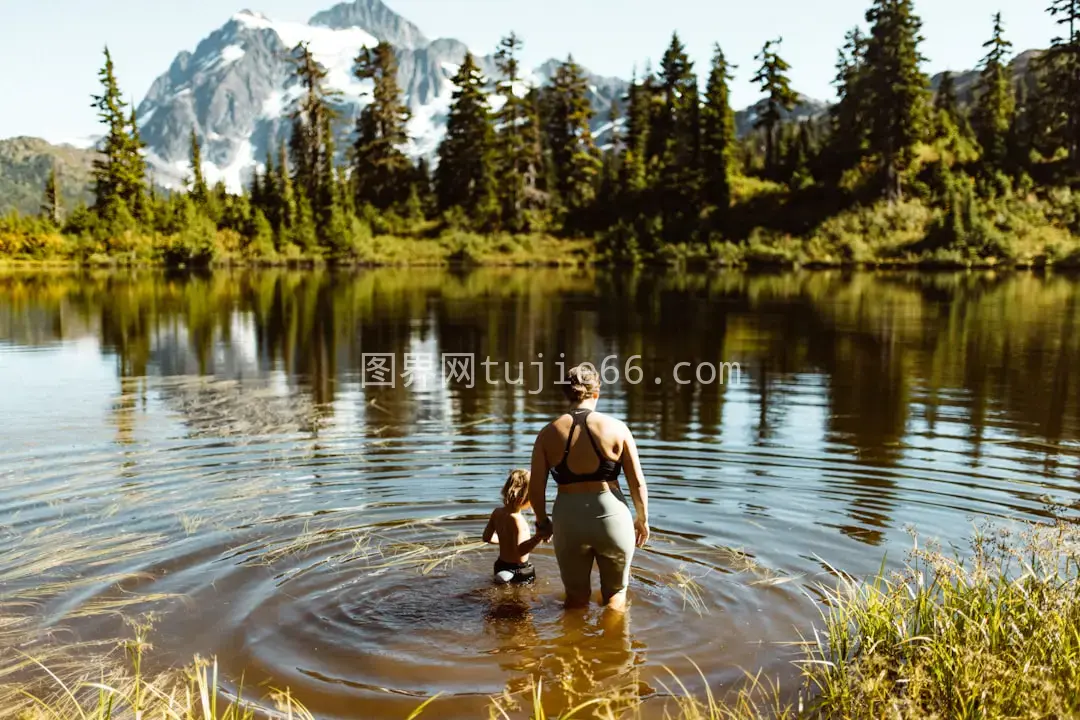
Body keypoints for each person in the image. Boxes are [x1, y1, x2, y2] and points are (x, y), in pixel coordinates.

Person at [529, 364, 650, 612]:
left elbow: (536, 487)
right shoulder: (617, 429)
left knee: (575, 599)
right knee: (615, 595)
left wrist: (542, 522)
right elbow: (637, 482)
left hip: (568, 518)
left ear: (567, 394)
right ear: (596, 393)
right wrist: (642, 519)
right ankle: (616, 647)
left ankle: (573, 647)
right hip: (612, 517)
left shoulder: (548, 434)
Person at [483, 469, 546, 585]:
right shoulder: (518, 521)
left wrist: (505, 541)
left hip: (500, 566)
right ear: (524, 498)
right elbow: (521, 550)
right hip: (518, 571)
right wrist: (538, 537)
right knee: (523, 601)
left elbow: (487, 537)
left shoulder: (497, 512)